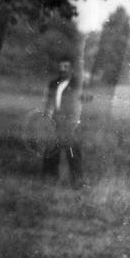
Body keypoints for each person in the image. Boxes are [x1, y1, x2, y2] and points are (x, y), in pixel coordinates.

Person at [42, 56, 85, 188]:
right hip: (55, 121)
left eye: (66, 67)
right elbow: (49, 102)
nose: (63, 70)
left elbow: (79, 104)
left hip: (70, 122)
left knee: (72, 151)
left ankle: (76, 180)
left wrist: (75, 121)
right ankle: (50, 177)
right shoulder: (53, 83)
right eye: (61, 67)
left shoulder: (77, 84)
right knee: (51, 150)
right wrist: (48, 115)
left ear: (71, 69)